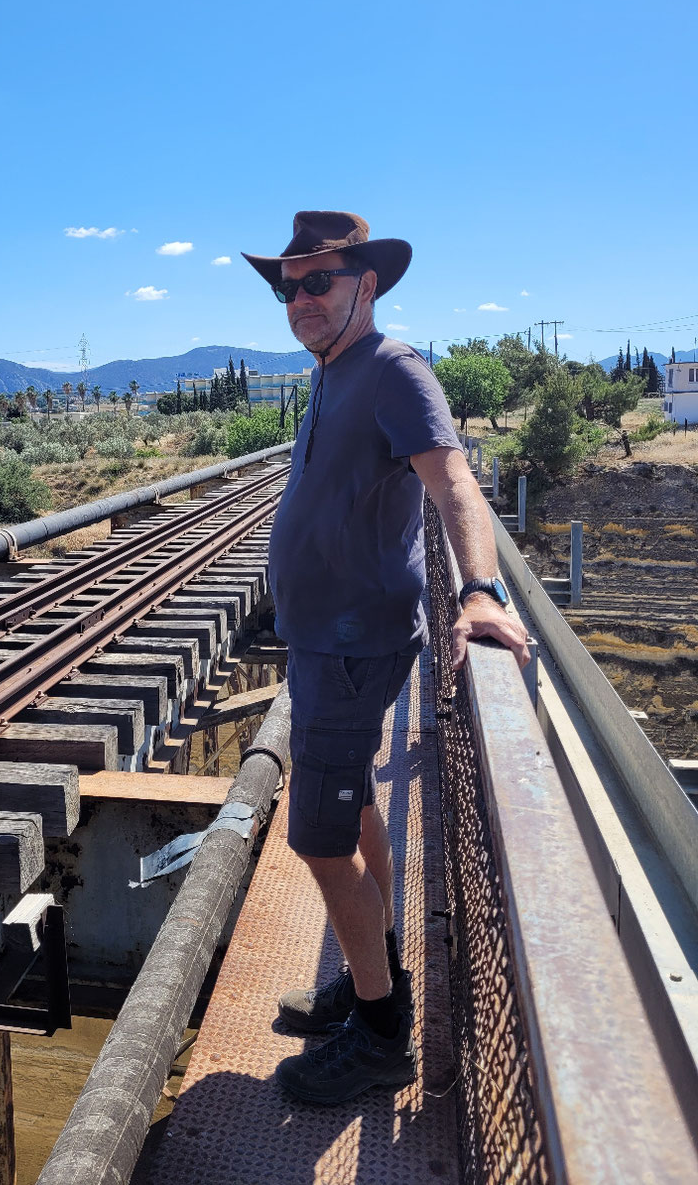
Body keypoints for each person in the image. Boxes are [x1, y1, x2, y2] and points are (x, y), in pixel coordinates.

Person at [241, 210, 530, 1104]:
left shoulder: (394, 368)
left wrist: (481, 591)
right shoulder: (330, 373)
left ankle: (378, 1034)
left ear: (367, 282)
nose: (300, 299)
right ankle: (379, 976)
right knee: (353, 803)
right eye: (289, 285)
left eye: (317, 280)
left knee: (321, 842)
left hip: (354, 645)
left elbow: (453, 482)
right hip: (328, 642)